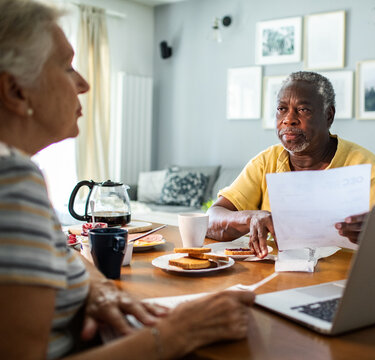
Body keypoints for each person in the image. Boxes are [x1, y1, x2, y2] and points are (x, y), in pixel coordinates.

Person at [0, 1, 254, 359]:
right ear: (15, 91)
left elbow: (66, 254)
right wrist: (180, 332)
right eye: (66, 66)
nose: (84, 84)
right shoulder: (12, 179)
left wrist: (99, 287)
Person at [207, 71, 375, 257]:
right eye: (282, 109)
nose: (288, 119)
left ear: (328, 116)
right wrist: (249, 218)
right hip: (274, 278)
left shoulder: (364, 167)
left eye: (303, 110)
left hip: (342, 280)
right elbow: (210, 219)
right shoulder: (266, 162)